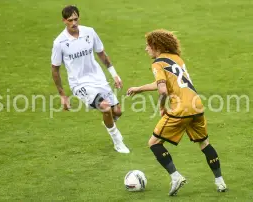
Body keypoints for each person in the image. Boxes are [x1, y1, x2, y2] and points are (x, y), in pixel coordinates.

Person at [127, 29, 227, 195]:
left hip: (181, 109)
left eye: (148, 46)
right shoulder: (176, 59)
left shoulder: (157, 63)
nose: (146, 49)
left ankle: (176, 177)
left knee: (154, 143)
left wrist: (161, 107)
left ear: (156, 46)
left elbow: (163, 90)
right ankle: (220, 182)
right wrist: (139, 89)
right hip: (196, 106)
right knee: (205, 143)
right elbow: (168, 82)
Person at [51, 5, 129, 153]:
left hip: (98, 79)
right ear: (64, 21)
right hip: (80, 84)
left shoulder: (89, 32)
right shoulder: (59, 43)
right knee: (106, 108)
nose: (73, 23)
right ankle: (118, 141)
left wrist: (114, 74)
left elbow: (101, 54)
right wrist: (62, 95)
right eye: (70, 20)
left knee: (117, 112)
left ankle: (108, 121)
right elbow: (55, 69)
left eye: (76, 19)